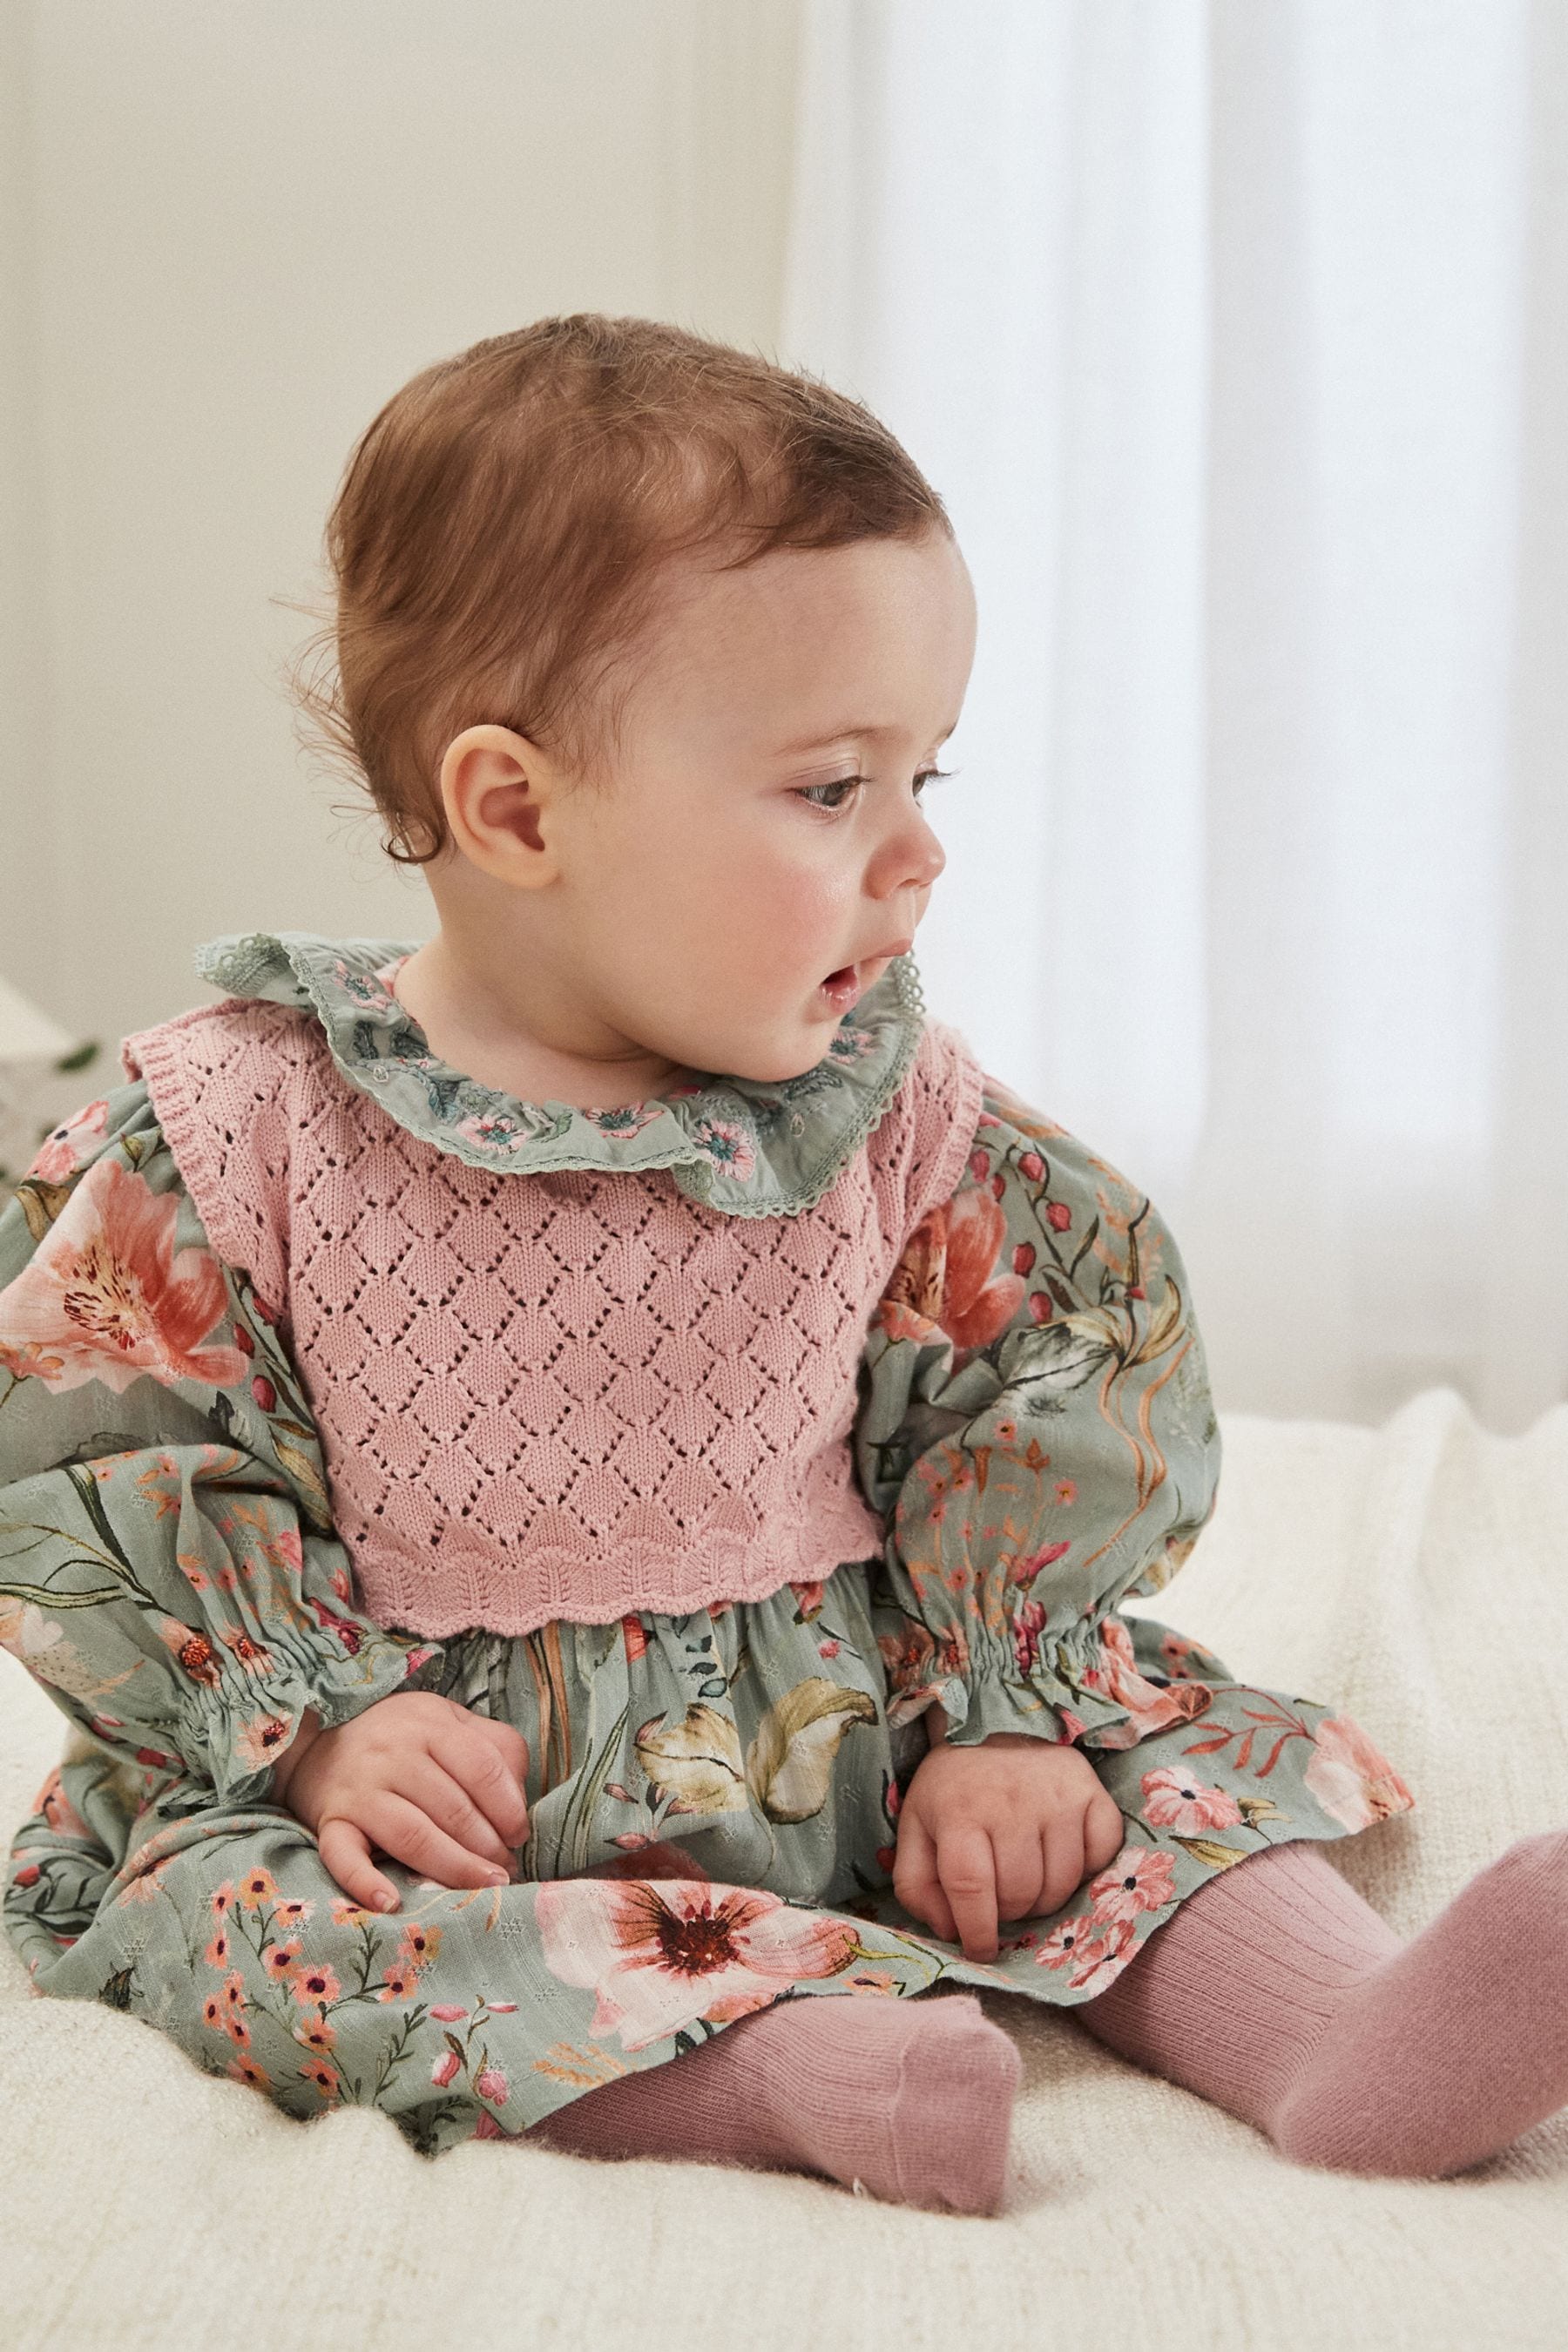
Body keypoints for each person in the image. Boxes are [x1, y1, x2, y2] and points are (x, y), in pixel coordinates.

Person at [2, 316, 1564, 2219]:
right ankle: (778, 2066)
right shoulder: (233, 1131)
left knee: (1136, 1756)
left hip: (858, 1716)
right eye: (834, 789)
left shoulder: (883, 1106)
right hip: (457, 1798)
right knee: (267, 1925)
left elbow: (1037, 1376)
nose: (914, 860)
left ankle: (1337, 2034)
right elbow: (105, 1449)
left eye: (930, 779)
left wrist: (998, 1710)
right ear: (515, 810)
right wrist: (313, 1722)